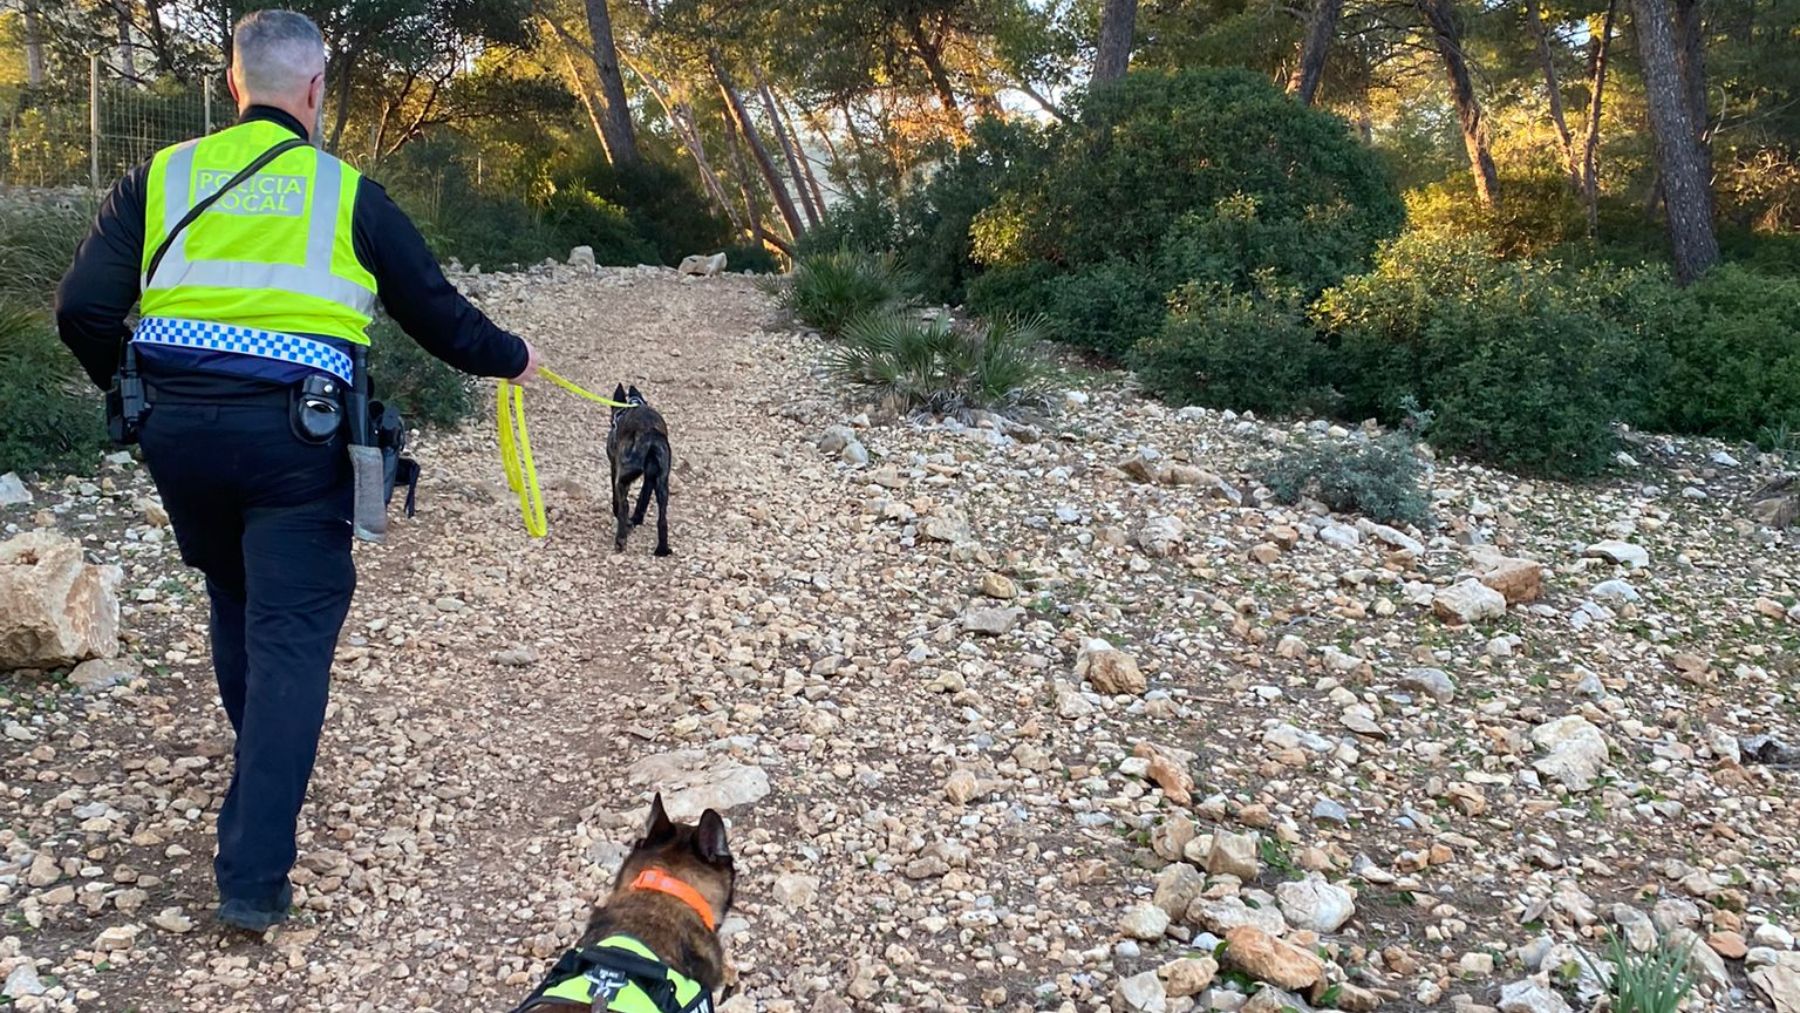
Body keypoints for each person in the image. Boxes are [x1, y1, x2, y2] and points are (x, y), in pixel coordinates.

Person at [55, 9, 539, 932]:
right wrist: (511, 356)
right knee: (291, 637)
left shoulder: (159, 176)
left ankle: (260, 766)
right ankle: (251, 877)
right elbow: (437, 313)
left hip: (180, 437)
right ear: (314, 90)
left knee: (235, 598)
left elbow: (82, 307)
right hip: (297, 442)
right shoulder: (344, 191)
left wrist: (135, 395)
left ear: (235, 84)